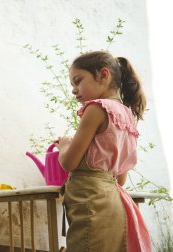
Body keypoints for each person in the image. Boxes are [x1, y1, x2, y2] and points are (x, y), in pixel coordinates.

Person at [55, 51, 152, 251]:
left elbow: (69, 163)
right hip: (112, 202)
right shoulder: (126, 116)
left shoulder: (96, 109)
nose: (74, 90)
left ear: (103, 75)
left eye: (78, 81)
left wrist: (64, 145)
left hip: (90, 201)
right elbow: (121, 178)